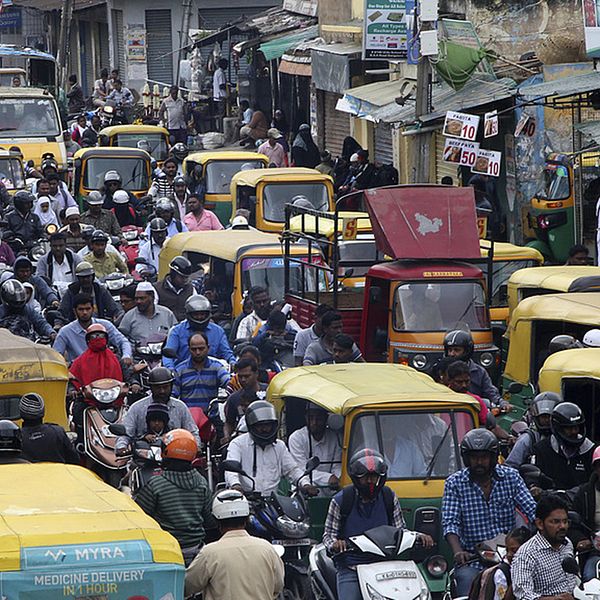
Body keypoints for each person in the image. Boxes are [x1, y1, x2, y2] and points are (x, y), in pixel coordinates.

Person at [323, 448, 433, 600]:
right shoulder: (342, 500)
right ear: (356, 478)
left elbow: (400, 530)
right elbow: (328, 535)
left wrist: (420, 536)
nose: (370, 481)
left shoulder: (388, 496)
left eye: (374, 477)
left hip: (386, 566)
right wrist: (335, 544)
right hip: (352, 568)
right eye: (365, 477)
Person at [442, 428, 536, 597]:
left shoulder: (511, 477)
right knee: (467, 586)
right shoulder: (454, 483)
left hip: (510, 558)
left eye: (484, 457)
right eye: (474, 457)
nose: (479, 462)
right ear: (466, 459)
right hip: (473, 560)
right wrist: (458, 551)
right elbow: (450, 522)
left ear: (493, 458)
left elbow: (531, 510)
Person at [185, 489, 284, 600]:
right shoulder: (267, 548)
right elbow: (278, 585)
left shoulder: (209, 553)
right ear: (247, 519)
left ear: (216, 521)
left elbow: (187, 587)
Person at [135, 429, 214, 565]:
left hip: (166, 551)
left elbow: (140, 518)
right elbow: (210, 520)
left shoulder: (156, 484)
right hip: (197, 551)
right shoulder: (202, 483)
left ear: (166, 452)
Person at [225, 400, 316, 496]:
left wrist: (305, 484)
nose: (265, 429)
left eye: (268, 425)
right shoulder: (238, 444)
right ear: (251, 425)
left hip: (274, 502)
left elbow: (292, 470)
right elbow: (231, 471)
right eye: (260, 426)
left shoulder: (279, 446)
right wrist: (236, 485)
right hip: (246, 500)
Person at [116, 367, 200, 454]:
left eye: (165, 387)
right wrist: (121, 447)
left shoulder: (180, 407)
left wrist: (196, 447)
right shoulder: (137, 408)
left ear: (171, 386)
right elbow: (126, 433)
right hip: (143, 461)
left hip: (175, 459)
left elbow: (192, 432)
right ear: (151, 388)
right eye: (158, 388)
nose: (162, 391)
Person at [511, 494, 577, 600]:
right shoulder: (526, 554)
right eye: (556, 522)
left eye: (565, 521)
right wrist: (555, 599)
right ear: (540, 524)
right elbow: (523, 596)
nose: (563, 526)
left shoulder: (567, 543)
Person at [532, 402, 595, 490]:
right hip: (550, 501)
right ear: (557, 428)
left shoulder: (592, 451)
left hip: (581, 501)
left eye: (576, 427)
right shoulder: (541, 449)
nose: (574, 432)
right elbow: (534, 479)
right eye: (568, 428)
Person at [54, 293, 131, 363]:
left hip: (104, 368)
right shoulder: (65, 331)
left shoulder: (105, 325)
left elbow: (123, 342)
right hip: (79, 372)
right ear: (74, 311)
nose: (85, 312)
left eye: (88, 309)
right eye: (81, 309)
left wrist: (126, 356)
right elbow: (56, 355)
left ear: (93, 309)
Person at [164, 295, 235, 368]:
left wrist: (232, 362)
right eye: (196, 314)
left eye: (202, 314)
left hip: (213, 373)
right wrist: (170, 370)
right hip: (183, 374)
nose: (200, 317)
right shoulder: (177, 331)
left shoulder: (218, 331)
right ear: (188, 314)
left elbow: (226, 353)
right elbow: (168, 355)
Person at [288, 403, 342, 494]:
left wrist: (336, 480)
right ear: (306, 418)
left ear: (326, 419)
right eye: (311, 418)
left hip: (331, 490)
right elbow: (301, 470)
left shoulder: (336, 437)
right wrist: (328, 478)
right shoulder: (296, 438)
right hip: (304, 488)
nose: (314, 423)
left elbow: (337, 466)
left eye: (319, 419)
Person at [173, 332, 231, 411]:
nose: (198, 352)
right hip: (189, 418)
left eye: (201, 349)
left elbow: (228, 382)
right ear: (189, 349)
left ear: (208, 348)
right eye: (194, 349)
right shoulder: (180, 370)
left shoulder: (217, 367)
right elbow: (173, 396)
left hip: (211, 417)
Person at [444, 329, 502, 406]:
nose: (452, 354)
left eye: (456, 350)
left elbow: (491, 393)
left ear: (467, 351)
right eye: (450, 350)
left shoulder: (479, 372)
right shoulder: (441, 370)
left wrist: (501, 403)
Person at [505, 391, 561, 470]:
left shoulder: (564, 438)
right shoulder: (527, 439)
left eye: (550, 416)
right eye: (544, 417)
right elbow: (510, 467)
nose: (547, 420)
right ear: (537, 417)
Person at [18, 393, 79, 464]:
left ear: (21, 413)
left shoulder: (17, 438)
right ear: (43, 411)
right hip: (58, 474)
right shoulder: (57, 431)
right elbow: (74, 459)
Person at [569, 447, 600, 582]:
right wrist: (581, 539)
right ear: (595, 468)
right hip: (595, 551)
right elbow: (573, 524)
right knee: (589, 577)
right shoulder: (584, 493)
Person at [59, 261, 123, 323]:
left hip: (99, 326)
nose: (86, 280)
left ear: (93, 277)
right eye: (83, 277)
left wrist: (118, 316)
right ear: (78, 278)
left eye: (88, 277)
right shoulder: (72, 290)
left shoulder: (100, 290)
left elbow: (114, 308)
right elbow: (62, 311)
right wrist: (58, 323)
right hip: (76, 326)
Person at [223, 358, 268, 441]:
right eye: (240, 376)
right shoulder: (234, 398)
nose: (243, 380)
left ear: (256, 374)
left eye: (247, 376)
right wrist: (227, 436)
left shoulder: (269, 392)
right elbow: (229, 423)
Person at [69, 322, 124, 388]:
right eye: (93, 336)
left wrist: (134, 383)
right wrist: (72, 390)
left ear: (106, 339)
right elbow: (72, 380)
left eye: (101, 336)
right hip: (88, 396)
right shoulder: (79, 362)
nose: (97, 338)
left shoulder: (117, 359)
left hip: (115, 395)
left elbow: (128, 375)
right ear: (88, 340)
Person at [154, 256, 196, 321]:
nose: (185, 280)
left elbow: (195, 308)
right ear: (173, 273)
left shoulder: (191, 289)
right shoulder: (156, 288)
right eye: (182, 277)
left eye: (186, 277)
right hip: (164, 325)